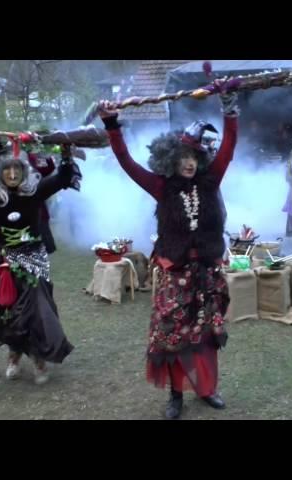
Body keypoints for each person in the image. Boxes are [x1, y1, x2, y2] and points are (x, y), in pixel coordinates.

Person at [99, 86, 238, 419]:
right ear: (170, 161)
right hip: (174, 275)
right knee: (172, 336)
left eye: (192, 158)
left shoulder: (210, 180)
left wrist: (230, 108)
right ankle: (176, 396)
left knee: (205, 334)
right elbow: (126, 162)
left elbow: (229, 149)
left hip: (206, 274)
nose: (188, 164)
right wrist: (112, 125)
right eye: (181, 159)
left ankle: (207, 388)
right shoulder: (160, 187)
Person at [0, 125, 81, 384]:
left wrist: (66, 155)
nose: (12, 173)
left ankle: (39, 360)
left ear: (24, 172)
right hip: (3, 262)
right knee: (6, 311)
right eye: (7, 169)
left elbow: (62, 177)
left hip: (34, 260)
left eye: (17, 169)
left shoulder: (35, 192)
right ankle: (13, 356)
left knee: (38, 312)